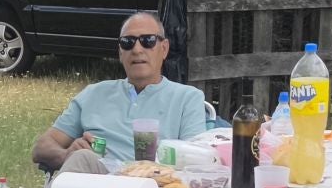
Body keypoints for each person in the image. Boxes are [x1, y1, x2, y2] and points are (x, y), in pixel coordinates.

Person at [30, 13, 209, 174]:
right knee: (82, 157)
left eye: (148, 41)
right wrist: (65, 155)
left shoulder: (187, 98)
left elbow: (195, 161)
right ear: (120, 53)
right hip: (93, 181)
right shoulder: (94, 94)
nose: (137, 49)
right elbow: (41, 148)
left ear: (164, 49)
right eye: (128, 42)